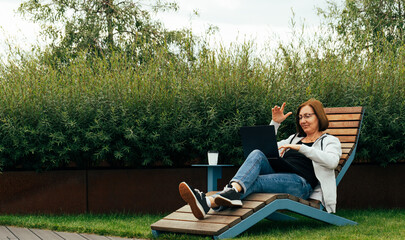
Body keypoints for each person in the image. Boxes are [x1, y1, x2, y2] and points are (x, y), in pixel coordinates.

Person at [179, 99, 341, 220]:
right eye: (300, 117)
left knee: (253, 182)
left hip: (301, 184)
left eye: (307, 116)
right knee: (257, 153)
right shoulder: (293, 139)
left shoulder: (329, 141)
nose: (303, 120)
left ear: (318, 116)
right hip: (280, 176)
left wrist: (303, 149)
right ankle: (219, 198)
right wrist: (275, 123)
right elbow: (266, 147)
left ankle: (209, 201)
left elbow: (332, 162)